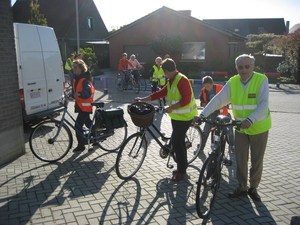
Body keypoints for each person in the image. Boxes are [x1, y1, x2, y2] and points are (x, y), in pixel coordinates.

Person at [193, 54, 272, 202]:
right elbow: (218, 99)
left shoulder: (261, 80)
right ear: (236, 68)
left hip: (259, 127)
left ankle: (253, 187)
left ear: (253, 66)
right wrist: (202, 114)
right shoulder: (233, 81)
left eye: (247, 66)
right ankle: (242, 187)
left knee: (256, 160)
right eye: (240, 67)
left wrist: (250, 119)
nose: (244, 69)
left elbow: (263, 104)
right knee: (240, 159)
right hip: (240, 127)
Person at [135, 58, 198, 182]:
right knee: (179, 143)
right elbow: (160, 93)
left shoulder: (182, 80)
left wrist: (170, 108)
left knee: (176, 142)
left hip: (186, 117)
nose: (163, 74)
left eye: (164, 72)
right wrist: (142, 99)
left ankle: (182, 172)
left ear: (166, 70)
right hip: (176, 117)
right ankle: (182, 166)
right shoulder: (171, 80)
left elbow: (186, 99)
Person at [199, 76, 234, 152]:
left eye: (208, 86)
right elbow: (201, 100)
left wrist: (227, 103)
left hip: (222, 112)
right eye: (205, 86)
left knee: (229, 129)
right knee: (206, 130)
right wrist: (202, 104)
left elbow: (229, 97)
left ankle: (232, 145)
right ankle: (200, 148)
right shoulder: (203, 91)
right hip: (211, 113)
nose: (206, 88)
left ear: (212, 84)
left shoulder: (221, 88)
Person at [72, 59, 95, 152]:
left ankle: (81, 145)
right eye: (73, 67)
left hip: (85, 107)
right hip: (81, 106)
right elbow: (75, 91)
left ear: (81, 69)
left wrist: (80, 94)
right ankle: (96, 136)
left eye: (76, 67)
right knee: (88, 123)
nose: (73, 69)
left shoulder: (85, 80)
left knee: (78, 126)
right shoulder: (76, 79)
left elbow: (87, 91)